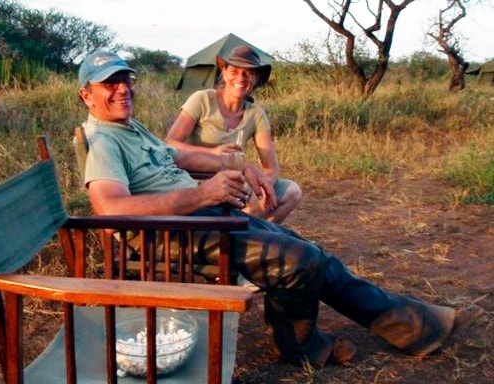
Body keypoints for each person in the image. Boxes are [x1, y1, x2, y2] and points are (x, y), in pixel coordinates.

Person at [76, 50, 483, 368]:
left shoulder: (130, 128)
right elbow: (110, 208)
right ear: (86, 94)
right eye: (109, 84)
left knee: (310, 252)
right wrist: (202, 196)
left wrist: (242, 167)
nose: (122, 90)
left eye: (126, 80)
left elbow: (179, 159)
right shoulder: (103, 140)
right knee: (299, 262)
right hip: (170, 235)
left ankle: (414, 326)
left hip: (201, 219)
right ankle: (300, 349)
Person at [166, 45, 301, 223]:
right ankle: (238, 239)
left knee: (292, 191)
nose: (241, 78)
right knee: (245, 207)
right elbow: (170, 143)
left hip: (235, 182)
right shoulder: (203, 99)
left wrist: (259, 189)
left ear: (255, 77)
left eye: (248, 73)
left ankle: (252, 240)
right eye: (235, 71)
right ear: (224, 71)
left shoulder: (255, 113)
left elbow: (271, 167)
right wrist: (214, 153)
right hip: (196, 180)